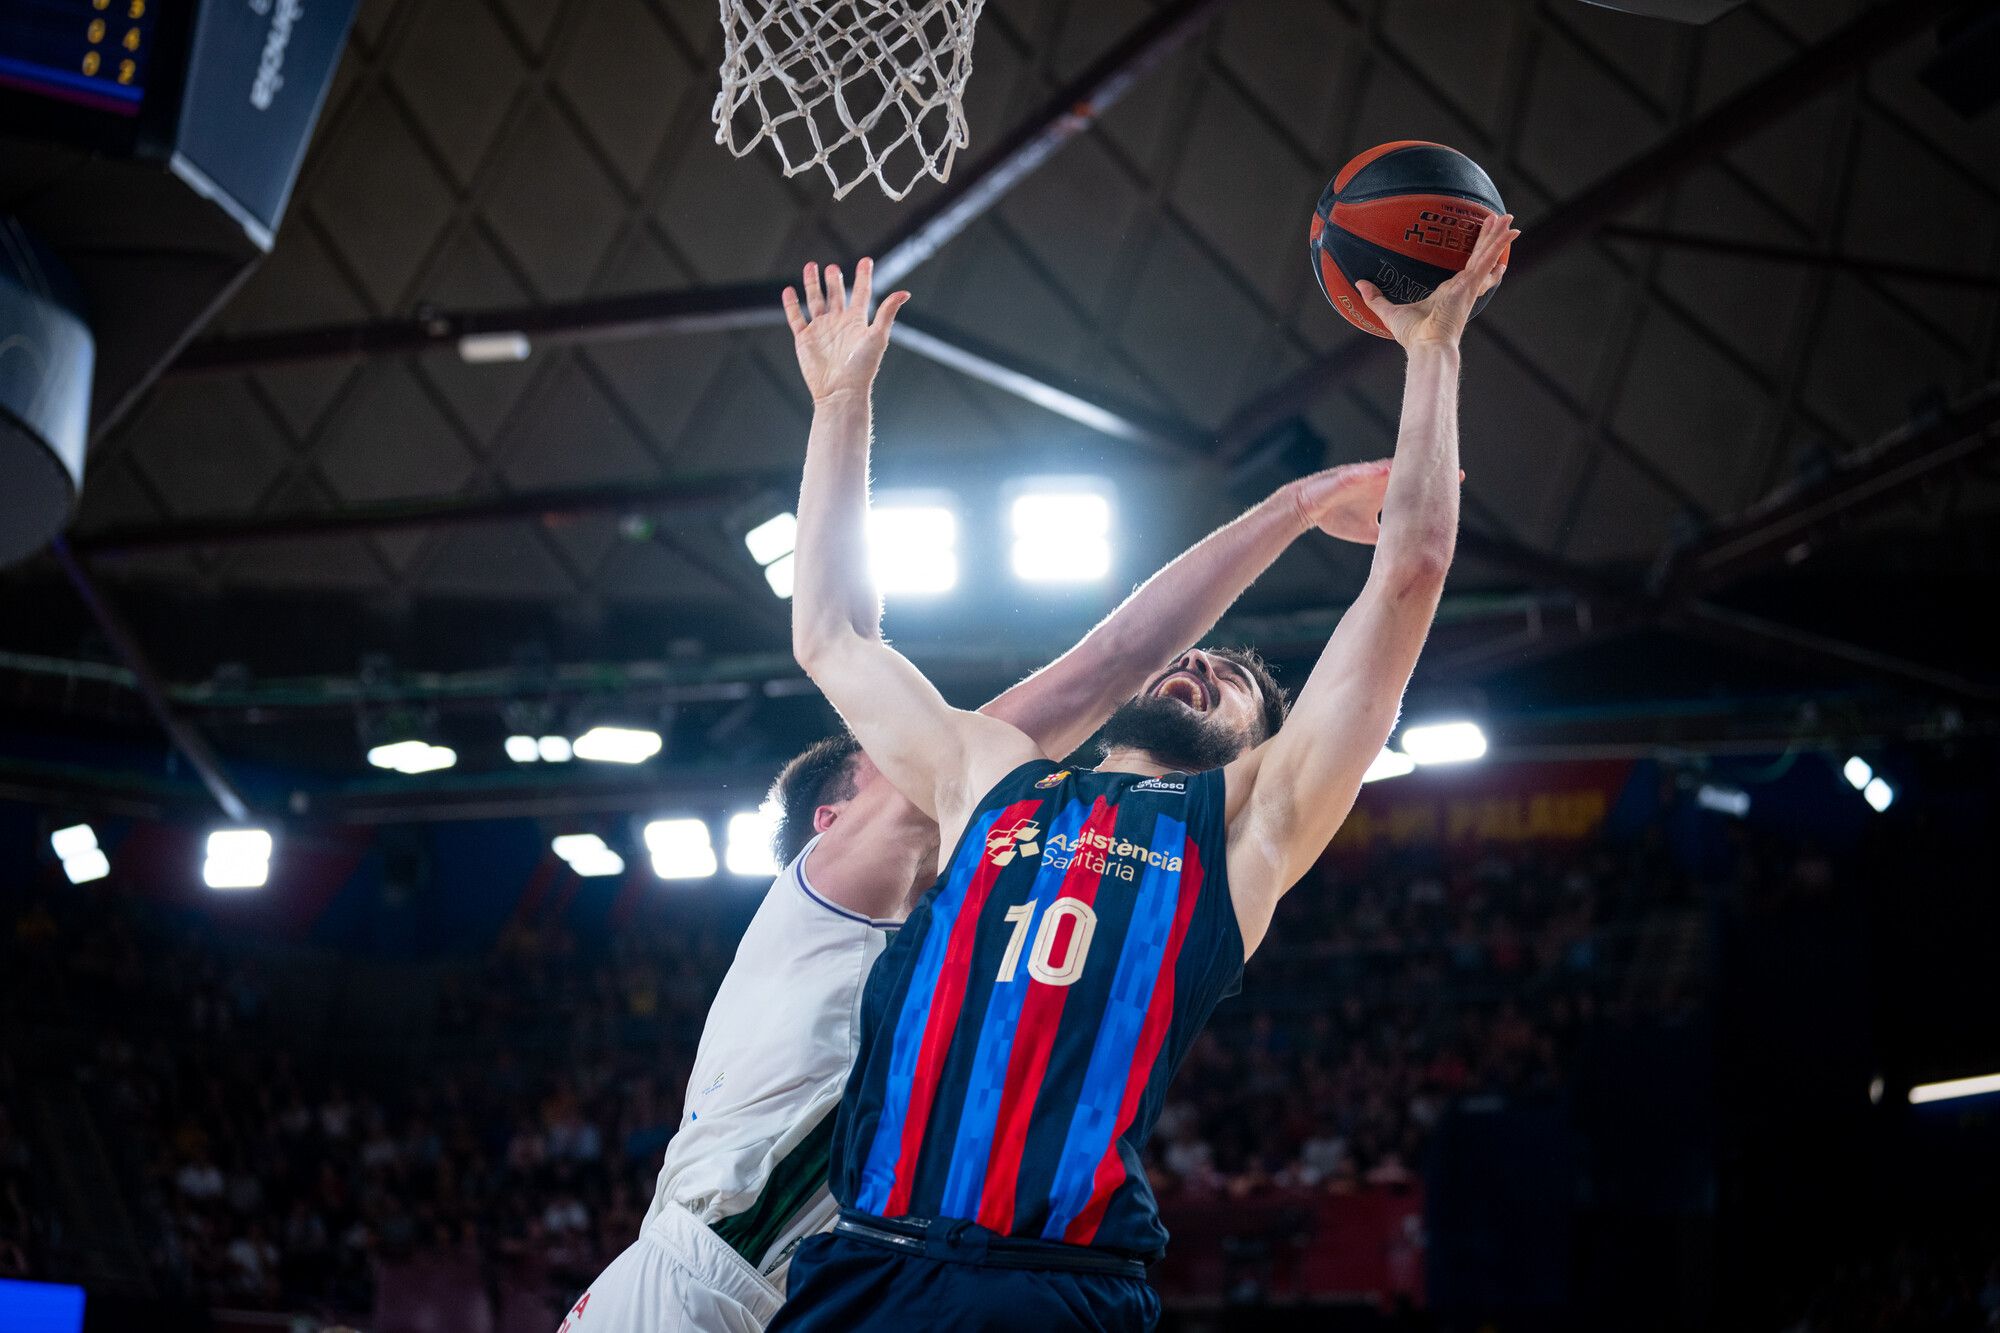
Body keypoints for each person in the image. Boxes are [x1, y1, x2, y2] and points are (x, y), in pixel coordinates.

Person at [559, 307, 1402, 1332]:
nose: (939, 734)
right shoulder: (861, 865)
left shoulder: (1002, 878)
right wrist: (838, 405)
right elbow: (1087, 668)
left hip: (825, 1286)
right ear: (833, 816)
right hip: (700, 1287)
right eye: (877, 759)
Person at [766, 214, 1516, 1332]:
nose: (1200, 661)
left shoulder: (1246, 825)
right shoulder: (988, 777)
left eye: (1235, 681)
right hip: (865, 1266)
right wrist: (837, 406)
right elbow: (828, 636)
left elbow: (1407, 570)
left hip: (1048, 1285)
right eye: (1194, 654)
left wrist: (1429, 343)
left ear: (1265, 741)